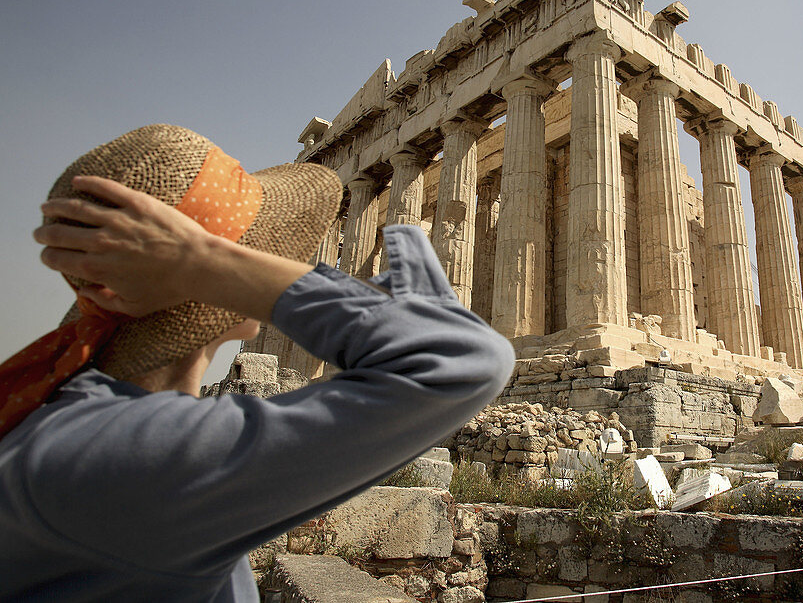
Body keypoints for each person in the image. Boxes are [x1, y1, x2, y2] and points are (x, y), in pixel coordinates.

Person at [0, 124, 515, 601]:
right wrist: (202, 261)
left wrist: (203, 265)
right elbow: (463, 361)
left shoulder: (87, 427)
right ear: (194, 274)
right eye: (259, 250)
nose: (288, 262)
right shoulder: (125, 456)